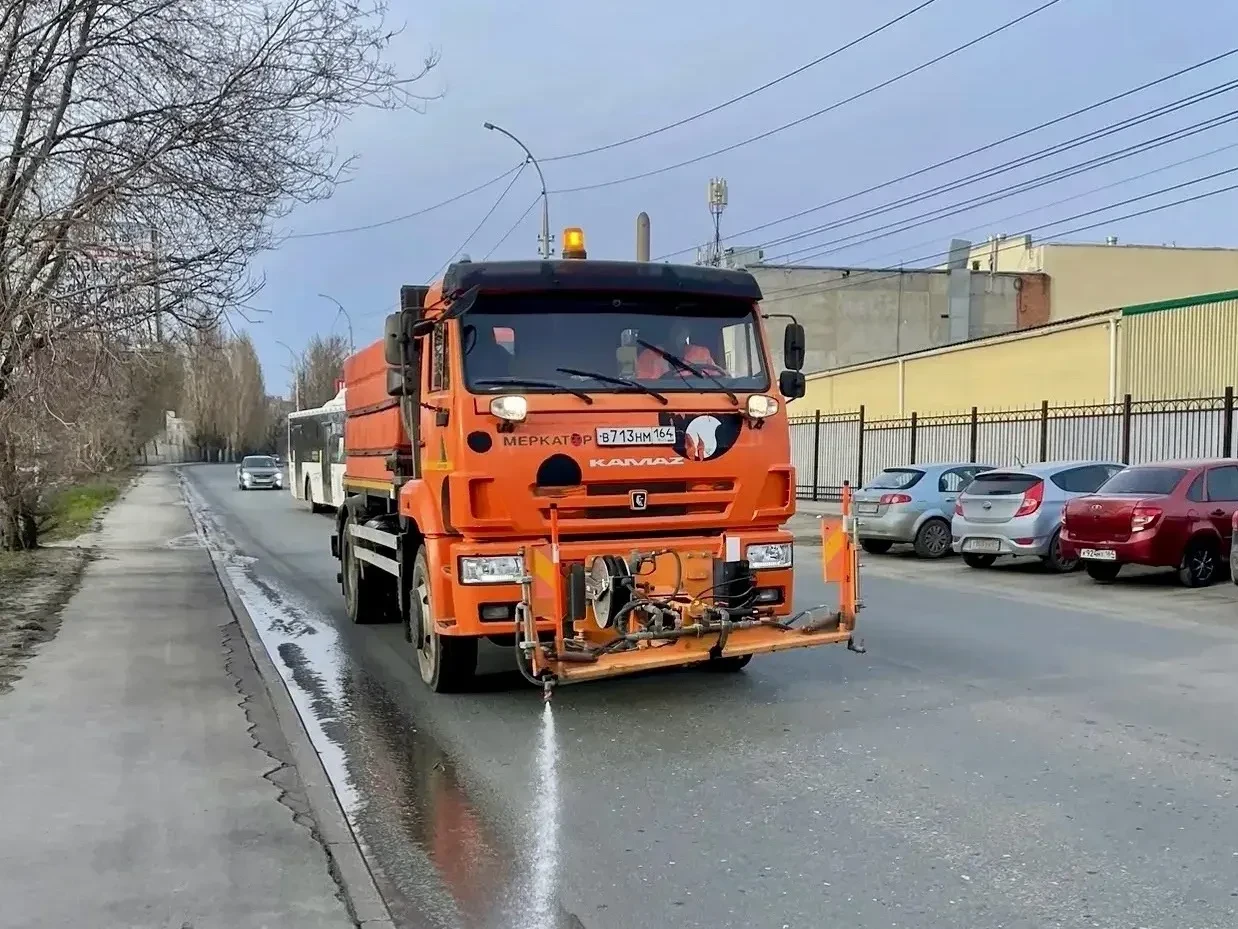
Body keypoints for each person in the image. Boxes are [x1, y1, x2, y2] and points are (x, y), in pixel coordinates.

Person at [634, 321, 722, 379]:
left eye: (683, 329)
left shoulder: (702, 353)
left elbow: (716, 378)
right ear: (666, 331)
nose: (680, 334)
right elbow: (646, 385)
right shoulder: (648, 356)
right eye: (676, 329)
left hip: (700, 396)